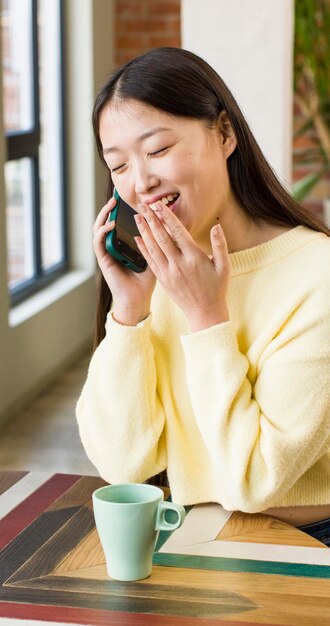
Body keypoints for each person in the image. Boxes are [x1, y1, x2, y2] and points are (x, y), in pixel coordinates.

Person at [75, 47, 330, 546]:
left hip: (306, 548)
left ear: (225, 133)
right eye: (119, 164)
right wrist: (128, 315)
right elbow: (121, 465)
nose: (140, 183)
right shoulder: (159, 275)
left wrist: (207, 318)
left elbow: (256, 481)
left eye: (157, 149)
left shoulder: (316, 273)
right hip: (187, 535)